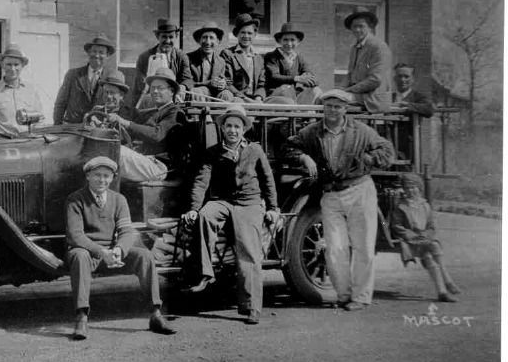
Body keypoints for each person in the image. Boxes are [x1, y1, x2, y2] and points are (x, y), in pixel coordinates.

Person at [284, 89, 395, 311]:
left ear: (345, 109)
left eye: (337, 107)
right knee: (335, 249)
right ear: (323, 108)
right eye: (328, 106)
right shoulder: (313, 132)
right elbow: (289, 146)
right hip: (330, 195)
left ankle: (361, 297)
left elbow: (387, 151)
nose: (332, 111)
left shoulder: (361, 131)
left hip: (359, 190)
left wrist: (369, 158)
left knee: (363, 246)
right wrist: (304, 157)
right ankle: (344, 296)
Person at [183, 105, 279, 324]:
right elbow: (201, 182)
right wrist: (193, 208)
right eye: (228, 126)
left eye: (237, 126)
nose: (232, 130)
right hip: (223, 201)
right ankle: (205, 273)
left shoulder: (254, 150)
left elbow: (267, 179)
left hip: (249, 203)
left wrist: (273, 208)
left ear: (243, 129)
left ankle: (251, 306)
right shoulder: (213, 152)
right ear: (222, 128)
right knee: (205, 216)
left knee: (248, 249)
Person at [65, 156, 176, 340]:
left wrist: (119, 250)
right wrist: (101, 252)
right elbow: (75, 236)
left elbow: (126, 231)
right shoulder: (75, 200)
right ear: (88, 176)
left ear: (112, 178)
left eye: (106, 176)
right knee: (79, 256)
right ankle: (81, 318)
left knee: (144, 255)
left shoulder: (119, 199)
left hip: (111, 252)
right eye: (97, 175)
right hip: (88, 252)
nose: (102, 180)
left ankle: (155, 314)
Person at [391, 174, 460, 302]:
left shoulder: (425, 205)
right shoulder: (401, 207)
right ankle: (443, 289)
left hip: (424, 238)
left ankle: (446, 282)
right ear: (404, 190)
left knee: (434, 246)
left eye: (414, 188)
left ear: (419, 188)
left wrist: (426, 235)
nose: (411, 191)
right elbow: (397, 226)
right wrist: (411, 235)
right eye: (408, 188)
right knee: (428, 256)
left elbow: (431, 225)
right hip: (410, 240)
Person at [107, 68, 183, 182]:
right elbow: (132, 126)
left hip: (161, 167)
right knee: (104, 149)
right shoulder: (153, 112)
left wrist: (125, 122)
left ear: (171, 91)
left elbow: (156, 135)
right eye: (153, 88)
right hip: (146, 161)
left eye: (160, 88)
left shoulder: (174, 112)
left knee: (113, 151)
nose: (155, 91)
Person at [0, 44, 47, 140]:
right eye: (9, 64)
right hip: (1, 143)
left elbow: (40, 121)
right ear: (2, 65)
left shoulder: (31, 91)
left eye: (16, 65)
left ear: (22, 66)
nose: (12, 69)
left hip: (27, 142)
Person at [131, 18, 194, 112]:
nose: (168, 41)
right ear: (158, 36)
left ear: (176, 36)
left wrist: (183, 86)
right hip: (153, 96)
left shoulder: (181, 56)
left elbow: (188, 79)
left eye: (171, 37)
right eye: (164, 37)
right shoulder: (145, 57)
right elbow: (139, 86)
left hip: (174, 96)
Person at [53, 34, 116, 124]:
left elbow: (114, 106)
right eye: (94, 51)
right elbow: (61, 103)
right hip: (73, 128)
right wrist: (57, 125)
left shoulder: (111, 78)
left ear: (107, 56)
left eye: (101, 52)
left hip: (98, 130)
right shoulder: (72, 75)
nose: (97, 55)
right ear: (88, 53)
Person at [341, 6, 393, 113]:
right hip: (358, 95)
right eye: (354, 26)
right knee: (328, 98)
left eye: (361, 26)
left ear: (370, 27)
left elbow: (375, 80)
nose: (357, 30)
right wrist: (339, 89)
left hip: (373, 98)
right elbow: (350, 75)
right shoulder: (355, 48)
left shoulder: (378, 47)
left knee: (334, 102)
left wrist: (348, 90)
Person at [264, 22, 322, 104]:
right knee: (286, 88)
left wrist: (308, 77)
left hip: (292, 96)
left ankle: (309, 116)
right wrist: (297, 78)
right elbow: (274, 76)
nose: (289, 43)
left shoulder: (298, 58)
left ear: (298, 42)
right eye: (285, 40)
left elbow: (309, 72)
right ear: (279, 41)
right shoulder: (272, 56)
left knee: (316, 91)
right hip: (276, 95)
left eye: (292, 40)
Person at [220, 13, 267, 104]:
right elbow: (227, 82)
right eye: (243, 32)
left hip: (255, 99)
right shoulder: (228, 54)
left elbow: (262, 83)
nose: (246, 36)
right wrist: (245, 99)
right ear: (237, 34)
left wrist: (258, 98)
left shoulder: (259, 57)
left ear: (254, 35)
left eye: (249, 33)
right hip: (236, 98)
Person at [392, 63, 434, 160]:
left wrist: (408, 105)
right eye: (399, 76)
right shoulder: (389, 97)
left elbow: (429, 109)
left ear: (413, 79)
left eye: (406, 76)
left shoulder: (418, 97)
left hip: (408, 144)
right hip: (389, 142)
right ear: (394, 78)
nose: (402, 80)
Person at [186, 21, 234, 102]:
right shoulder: (188, 58)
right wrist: (207, 83)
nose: (208, 42)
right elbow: (187, 82)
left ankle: (219, 114)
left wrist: (223, 84)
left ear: (218, 41)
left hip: (214, 97)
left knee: (226, 94)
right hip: (196, 96)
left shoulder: (221, 61)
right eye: (204, 37)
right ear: (199, 40)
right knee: (197, 91)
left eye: (211, 38)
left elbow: (225, 80)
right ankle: (197, 114)